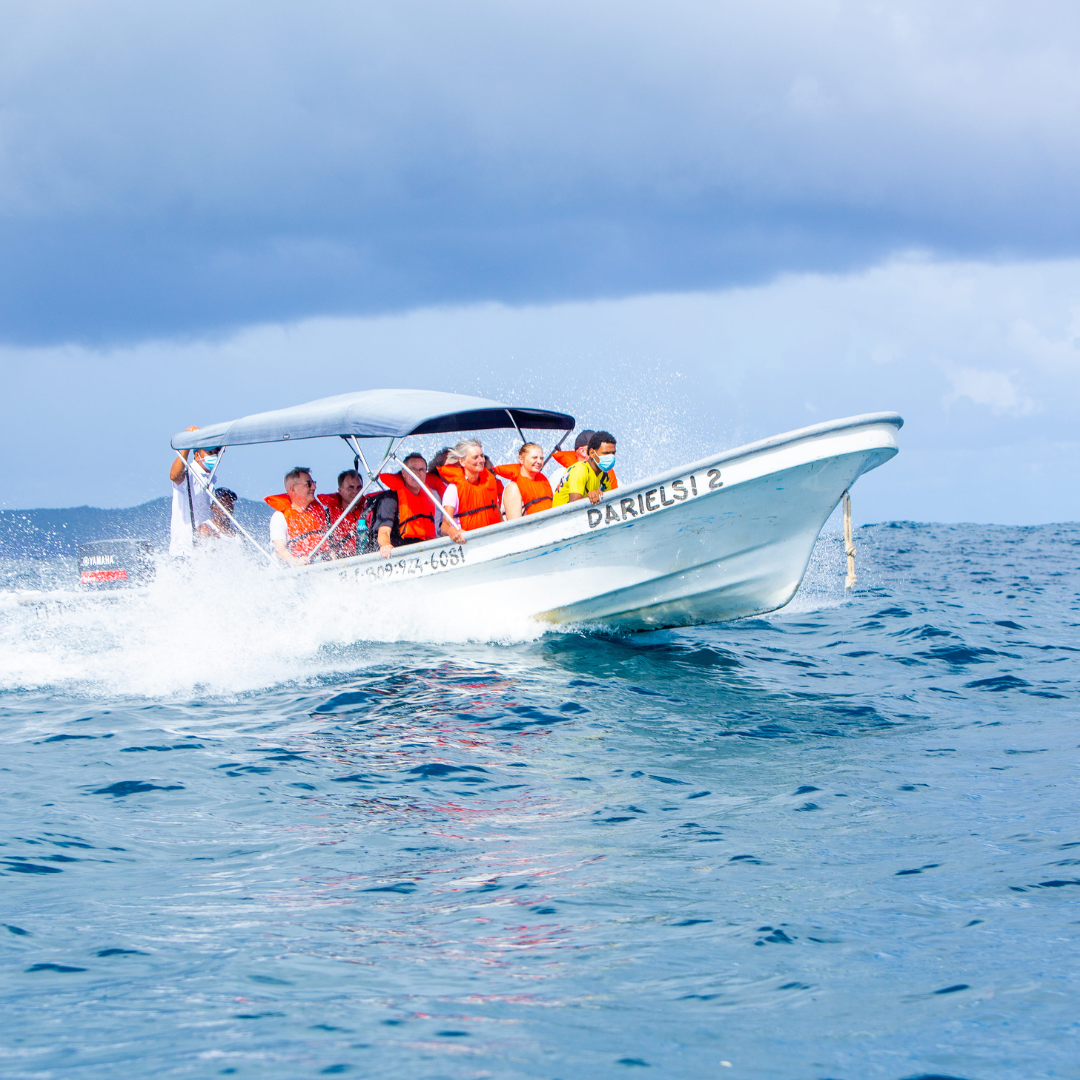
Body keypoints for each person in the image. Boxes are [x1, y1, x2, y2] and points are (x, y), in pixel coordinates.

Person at [168, 426, 224, 556]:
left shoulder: (210, 477)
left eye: (216, 453)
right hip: (185, 550)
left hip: (203, 549)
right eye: (210, 453)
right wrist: (187, 445)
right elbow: (174, 476)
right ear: (197, 455)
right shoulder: (190, 472)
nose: (214, 456)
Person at [374, 453, 439, 557]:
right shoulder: (391, 498)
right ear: (404, 472)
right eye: (413, 469)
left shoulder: (429, 497)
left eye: (422, 470)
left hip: (421, 551)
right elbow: (383, 531)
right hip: (399, 551)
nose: (418, 473)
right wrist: (385, 545)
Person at [438, 439, 502, 544]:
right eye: (475, 457)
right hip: (469, 543)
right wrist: (451, 531)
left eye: (482, 456)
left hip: (494, 539)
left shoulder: (489, 483)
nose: (481, 460)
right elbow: (444, 525)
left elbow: (498, 515)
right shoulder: (453, 489)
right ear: (462, 461)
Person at [264, 467, 332, 565]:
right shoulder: (279, 517)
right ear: (293, 489)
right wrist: (296, 561)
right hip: (291, 571)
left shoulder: (318, 514)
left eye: (314, 483)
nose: (314, 487)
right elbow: (280, 550)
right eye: (308, 484)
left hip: (316, 567)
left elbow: (327, 548)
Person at [552, 430, 618, 507]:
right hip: (563, 517)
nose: (611, 457)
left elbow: (609, 503)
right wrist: (590, 497)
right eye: (606, 453)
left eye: (613, 453)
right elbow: (573, 505)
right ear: (592, 453)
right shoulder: (579, 470)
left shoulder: (604, 475)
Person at [318, 469, 366, 558]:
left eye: (359, 487)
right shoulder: (326, 516)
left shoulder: (369, 511)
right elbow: (322, 545)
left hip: (365, 558)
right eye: (350, 487)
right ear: (340, 491)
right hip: (339, 561)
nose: (356, 491)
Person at [496, 443, 553, 519]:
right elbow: (515, 526)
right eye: (534, 457)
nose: (539, 461)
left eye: (541, 458)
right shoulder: (513, 488)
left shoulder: (543, 482)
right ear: (521, 459)